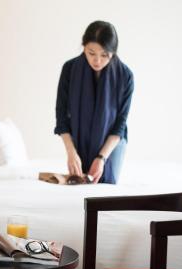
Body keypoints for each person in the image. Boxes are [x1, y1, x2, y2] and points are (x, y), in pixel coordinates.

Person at [54, 20, 134, 184]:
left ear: (113, 52)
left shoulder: (125, 76)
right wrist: (71, 151)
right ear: (83, 46)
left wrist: (101, 157)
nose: (97, 60)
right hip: (79, 136)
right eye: (91, 53)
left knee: (105, 185)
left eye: (104, 55)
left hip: (112, 141)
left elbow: (120, 123)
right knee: (81, 183)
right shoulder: (69, 69)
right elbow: (61, 116)